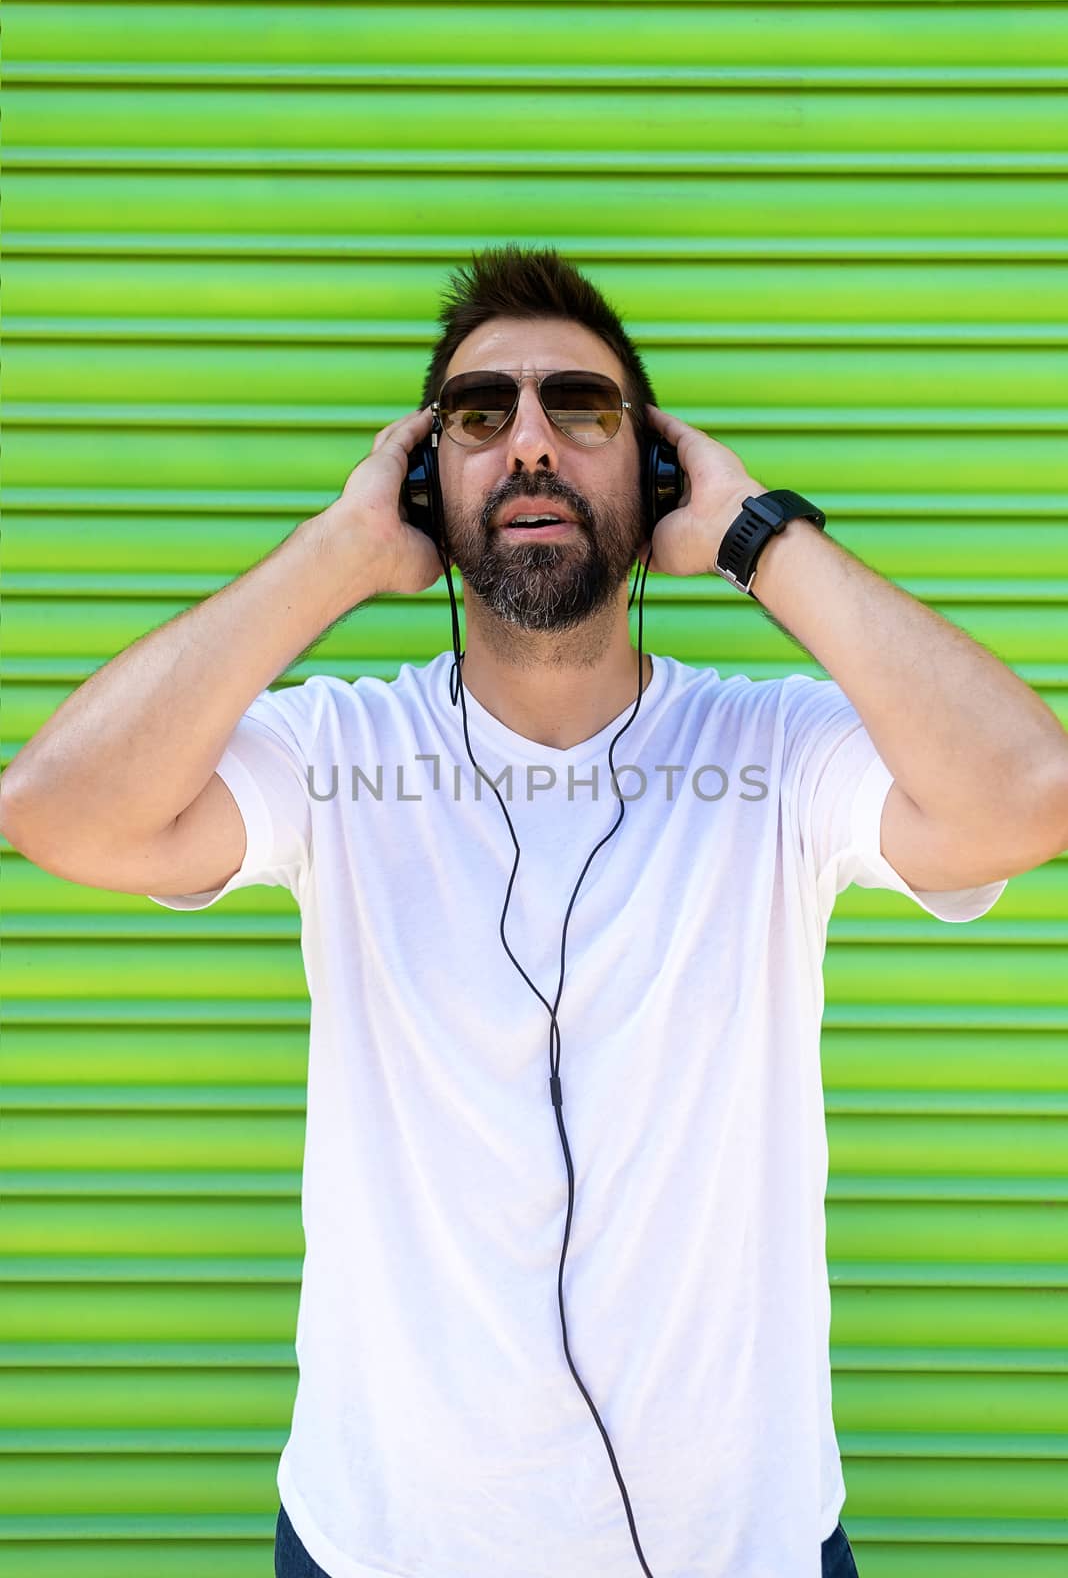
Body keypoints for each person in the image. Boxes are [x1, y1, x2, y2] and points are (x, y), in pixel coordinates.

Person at [3, 247, 1066, 1578]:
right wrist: (331, 558)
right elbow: (56, 811)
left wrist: (759, 539)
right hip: (379, 1547)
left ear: (658, 473)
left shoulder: (780, 754)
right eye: (478, 416)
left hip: (740, 1552)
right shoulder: (340, 755)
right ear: (423, 480)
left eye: (585, 409)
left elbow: (1029, 796)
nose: (532, 445)